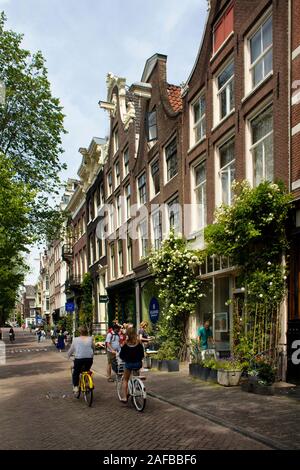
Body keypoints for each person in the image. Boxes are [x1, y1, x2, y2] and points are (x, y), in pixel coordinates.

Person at [119, 327, 144, 402]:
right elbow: (142, 355)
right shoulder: (139, 343)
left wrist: (124, 358)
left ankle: (125, 397)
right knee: (136, 375)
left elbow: (121, 355)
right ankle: (137, 385)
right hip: (138, 364)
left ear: (128, 335)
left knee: (125, 379)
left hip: (129, 365)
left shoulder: (125, 344)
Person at [67, 325, 94, 394]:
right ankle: (87, 382)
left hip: (79, 359)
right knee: (87, 370)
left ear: (79, 332)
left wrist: (68, 355)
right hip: (89, 359)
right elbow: (93, 348)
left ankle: (76, 386)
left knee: (76, 372)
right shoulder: (90, 339)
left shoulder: (76, 339)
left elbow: (71, 349)